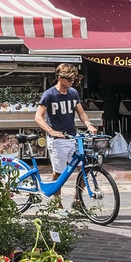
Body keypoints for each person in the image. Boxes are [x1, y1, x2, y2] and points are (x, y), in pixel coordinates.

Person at [35, 63, 97, 210]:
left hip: (72, 137)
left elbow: (81, 112)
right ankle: (57, 205)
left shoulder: (73, 93)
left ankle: (77, 201)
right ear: (59, 78)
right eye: (69, 79)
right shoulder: (49, 94)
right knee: (58, 173)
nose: (71, 82)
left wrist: (88, 124)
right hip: (57, 140)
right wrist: (51, 131)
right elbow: (38, 116)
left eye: (73, 80)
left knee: (83, 168)